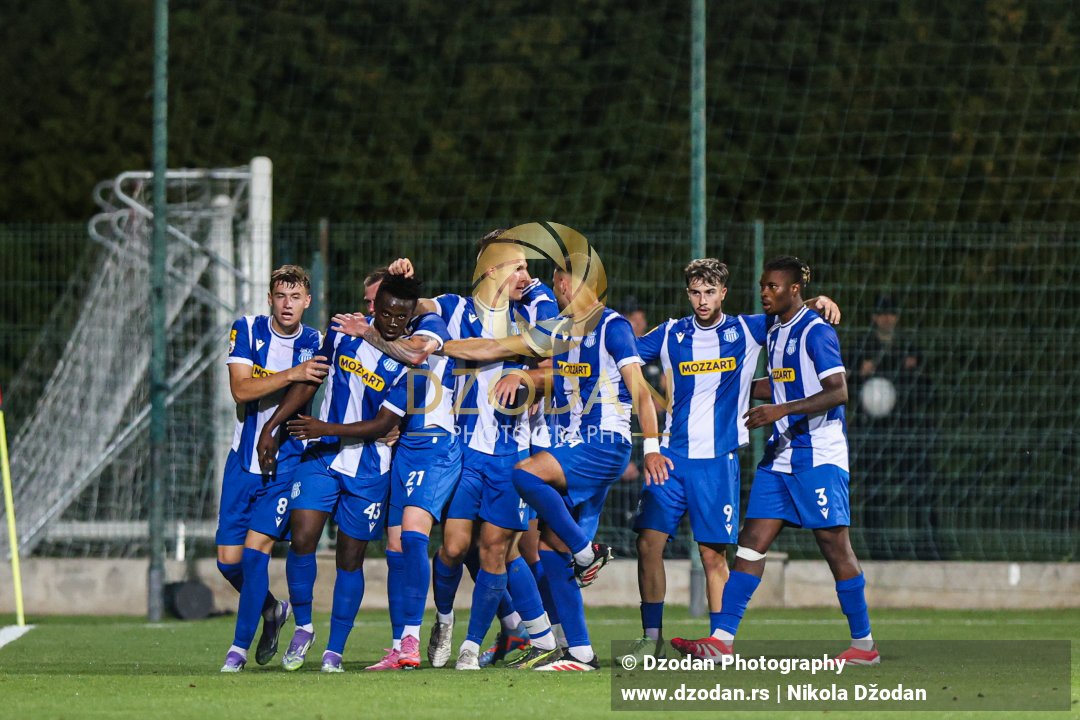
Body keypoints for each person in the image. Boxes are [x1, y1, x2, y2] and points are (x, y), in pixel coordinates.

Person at [441, 253, 668, 671]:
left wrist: (651, 447)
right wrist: (439, 347)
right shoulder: (560, 333)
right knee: (548, 550)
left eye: (557, 280)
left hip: (602, 446)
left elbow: (639, 390)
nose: (551, 288)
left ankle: (587, 553)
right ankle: (579, 651)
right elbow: (497, 349)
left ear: (568, 284)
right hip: (575, 449)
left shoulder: (612, 326)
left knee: (524, 475)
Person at [627, 259, 839, 661]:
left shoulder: (746, 328)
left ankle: (720, 645)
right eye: (695, 292)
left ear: (723, 293)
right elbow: (624, 355)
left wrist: (817, 301)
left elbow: (790, 312)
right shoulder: (670, 332)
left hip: (718, 461)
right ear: (687, 293)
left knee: (712, 555)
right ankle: (650, 636)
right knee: (647, 543)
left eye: (710, 292)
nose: (702, 300)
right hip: (670, 458)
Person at [671, 256, 878, 666]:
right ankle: (722, 640)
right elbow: (781, 383)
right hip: (780, 455)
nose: (765, 293)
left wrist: (780, 412)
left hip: (818, 453)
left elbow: (838, 392)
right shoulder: (778, 331)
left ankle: (865, 645)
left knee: (834, 546)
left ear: (795, 290)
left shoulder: (816, 332)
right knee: (750, 545)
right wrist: (728, 387)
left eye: (774, 287)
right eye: (764, 286)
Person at [384, 233, 560, 671]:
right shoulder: (456, 307)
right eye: (517, 266)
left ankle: (474, 645)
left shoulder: (531, 311)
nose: (528, 275)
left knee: (499, 549)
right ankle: (446, 622)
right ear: (491, 269)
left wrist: (525, 376)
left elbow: (547, 356)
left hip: (513, 452)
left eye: (527, 266)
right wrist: (403, 283)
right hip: (464, 451)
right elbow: (418, 308)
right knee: (454, 548)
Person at [254, 274, 423, 673]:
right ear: (374, 308)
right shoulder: (343, 336)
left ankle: (335, 651)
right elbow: (311, 381)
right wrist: (274, 426)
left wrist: (325, 428)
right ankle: (305, 626)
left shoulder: (410, 367)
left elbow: (383, 425)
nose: (394, 322)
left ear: (411, 315)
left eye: (402, 316)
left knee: (350, 559)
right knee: (302, 538)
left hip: (368, 470)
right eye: (386, 313)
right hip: (322, 458)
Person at [328, 286, 461, 671]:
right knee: (396, 546)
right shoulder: (378, 338)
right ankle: (397, 644)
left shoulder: (429, 325)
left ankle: (414, 640)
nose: (372, 312)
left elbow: (417, 353)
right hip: (401, 450)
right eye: (370, 305)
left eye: (378, 303)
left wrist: (365, 331)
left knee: (419, 537)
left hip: (434, 444)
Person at [217, 265, 326, 673]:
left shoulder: (315, 341)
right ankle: (271, 610)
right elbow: (240, 389)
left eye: (295, 297)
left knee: (254, 554)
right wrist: (292, 373)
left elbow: (304, 391)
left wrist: (296, 377)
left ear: (307, 302)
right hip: (241, 461)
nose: (287, 304)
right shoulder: (246, 329)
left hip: (286, 464)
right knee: (228, 562)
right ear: (270, 298)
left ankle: (237, 651)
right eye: (281, 296)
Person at [847, 296, 938, 559]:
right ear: (874, 318)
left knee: (920, 485)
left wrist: (915, 372)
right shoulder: (862, 348)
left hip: (906, 430)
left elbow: (927, 389)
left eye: (891, 313)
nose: (887, 318)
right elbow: (843, 388)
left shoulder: (910, 348)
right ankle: (877, 548)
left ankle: (926, 544)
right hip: (872, 432)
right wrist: (859, 374)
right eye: (882, 313)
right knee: (874, 488)